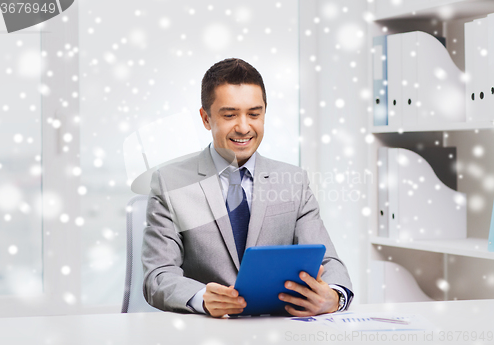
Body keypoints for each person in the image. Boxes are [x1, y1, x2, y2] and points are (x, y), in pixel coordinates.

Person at [142, 58, 353, 318]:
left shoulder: (293, 181)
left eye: (254, 114)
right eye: (230, 115)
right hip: (207, 331)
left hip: (278, 329)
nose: (244, 127)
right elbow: (158, 276)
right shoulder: (170, 183)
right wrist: (202, 299)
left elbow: (328, 262)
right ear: (206, 118)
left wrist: (334, 297)